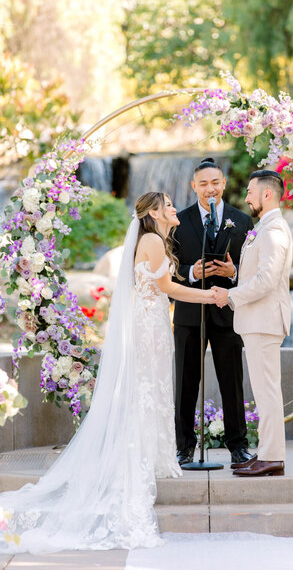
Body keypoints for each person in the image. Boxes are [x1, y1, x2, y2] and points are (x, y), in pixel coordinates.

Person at [0, 192, 215, 554]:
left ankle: (156, 454)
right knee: (149, 388)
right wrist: (209, 296)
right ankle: (143, 456)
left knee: (153, 388)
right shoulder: (150, 239)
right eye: (169, 205)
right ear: (154, 212)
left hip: (152, 322)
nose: (175, 209)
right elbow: (166, 287)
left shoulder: (155, 238)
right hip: (150, 325)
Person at [173, 158, 255, 467]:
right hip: (189, 313)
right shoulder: (178, 221)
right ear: (194, 186)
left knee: (232, 382)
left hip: (228, 312)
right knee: (185, 383)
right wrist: (190, 271)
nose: (210, 188)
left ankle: (239, 446)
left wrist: (235, 272)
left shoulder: (242, 221)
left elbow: (254, 270)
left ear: (223, 184)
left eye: (215, 182)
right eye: (203, 183)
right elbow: (167, 267)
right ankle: (184, 448)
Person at [212, 169, 293, 477]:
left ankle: (272, 457)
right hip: (258, 321)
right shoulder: (266, 227)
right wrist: (235, 274)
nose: (245, 197)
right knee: (263, 391)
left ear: (267, 194)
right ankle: (267, 452)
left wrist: (230, 295)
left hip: (264, 322)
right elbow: (256, 275)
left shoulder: (273, 230)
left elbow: (267, 280)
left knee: (268, 392)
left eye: (250, 192)